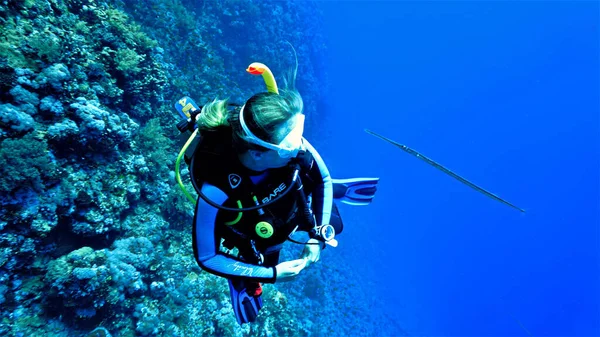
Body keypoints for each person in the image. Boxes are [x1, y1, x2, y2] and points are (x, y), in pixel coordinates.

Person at [173, 60, 379, 325]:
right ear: (257, 152)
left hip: (283, 186)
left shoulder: (288, 143)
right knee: (268, 252)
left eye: (299, 131)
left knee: (333, 222)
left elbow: (323, 178)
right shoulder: (217, 186)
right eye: (290, 142)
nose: (301, 146)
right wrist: (271, 273)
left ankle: (329, 194)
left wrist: (318, 236)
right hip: (249, 218)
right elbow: (206, 256)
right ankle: (242, 282)